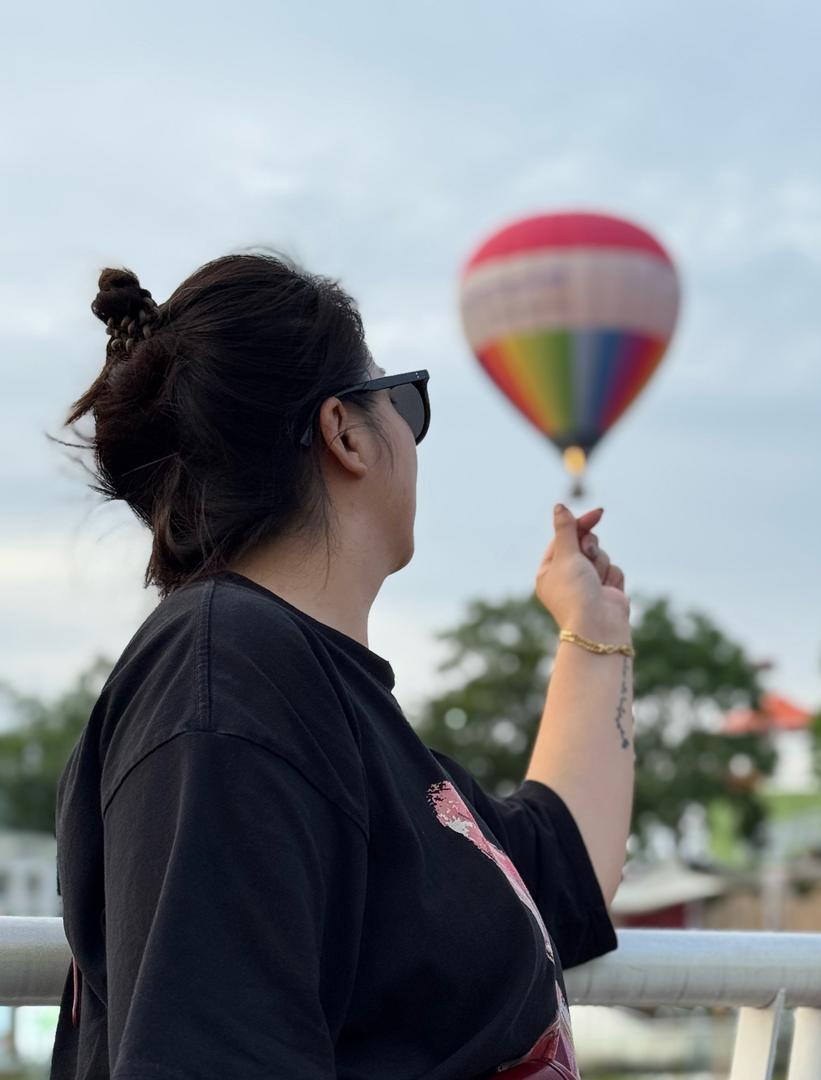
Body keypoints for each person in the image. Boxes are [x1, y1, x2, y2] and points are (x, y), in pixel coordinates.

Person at [49, 251, 636, 1079]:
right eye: (403, 401)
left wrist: (594, 628)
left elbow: (560, 868)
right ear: (346, 432)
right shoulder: (225, 672)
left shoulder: (326, 708)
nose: (412, 434)